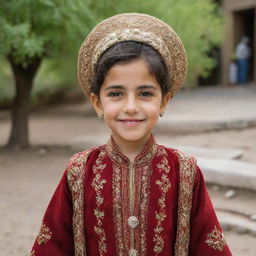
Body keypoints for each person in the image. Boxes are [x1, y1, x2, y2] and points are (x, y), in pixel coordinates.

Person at [30, 13, 232, 256]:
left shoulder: (185, 171)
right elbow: (51, 246)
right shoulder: (79, 171)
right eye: (116, 93)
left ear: (164, 101)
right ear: (97, 103)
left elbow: (209, 247)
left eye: (145, 93)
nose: (131, 107)